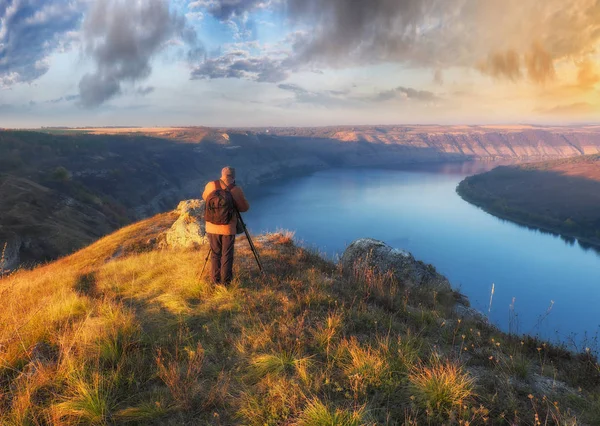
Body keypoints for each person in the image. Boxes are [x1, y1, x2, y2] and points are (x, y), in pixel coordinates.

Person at [202, 166, 250, 285]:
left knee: (215, 254)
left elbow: (205, 198)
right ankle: (226, 283)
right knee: (226, 254)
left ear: (222, 174)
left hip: (212, 226)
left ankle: (215, 281)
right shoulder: (235, 189)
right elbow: (244, 208)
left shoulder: (211, 185)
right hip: (228, 228)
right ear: (233, 177)